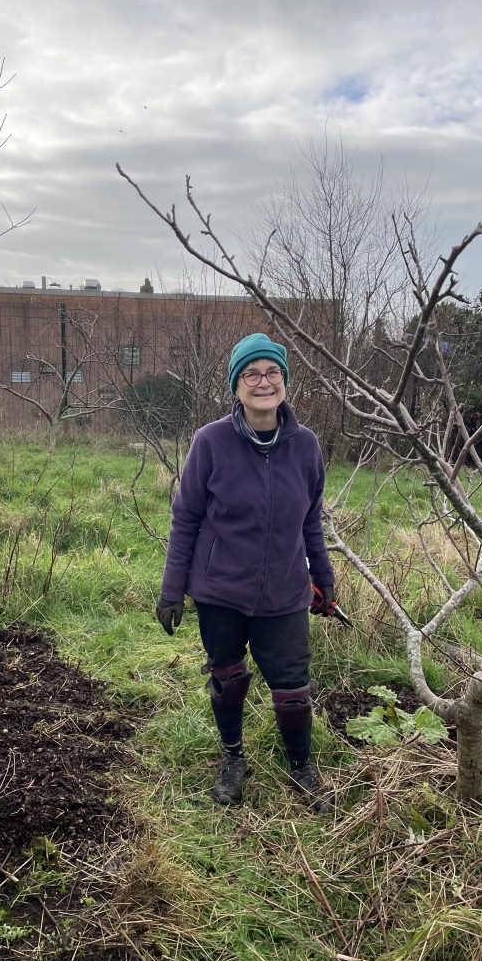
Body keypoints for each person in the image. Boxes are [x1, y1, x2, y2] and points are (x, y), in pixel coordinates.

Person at [155, 332, 337, 813]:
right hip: (221, 592)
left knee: (294, 689)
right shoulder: (210, 442)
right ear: (237, 386)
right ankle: (232, 758)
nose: (263, 382)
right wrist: (173, 590)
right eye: (251, 374)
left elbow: (311, 521)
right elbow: (186, 517)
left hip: (284, 593)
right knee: (228, 676)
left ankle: (301, 767)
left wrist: (325, 580)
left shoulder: (306, 447)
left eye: (272, 372)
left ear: (285, 381)